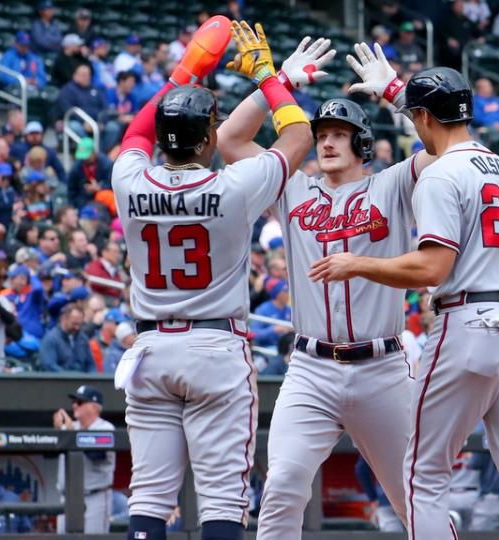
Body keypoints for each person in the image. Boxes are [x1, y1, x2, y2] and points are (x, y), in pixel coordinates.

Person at [307, 60, 499, 539]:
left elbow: (431, 269)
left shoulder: (440, 176)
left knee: (423, 475)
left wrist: (356, 263)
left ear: (423, 117)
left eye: (415, 114)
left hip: (469, 325)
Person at [217, 38, 445, 538]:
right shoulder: (292, 185)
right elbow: (230, 140)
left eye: (340, 133)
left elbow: (447, 148)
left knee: (417, 494)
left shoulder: (392, 184)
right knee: (281, 487)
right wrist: (279, 85)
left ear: (362, 143)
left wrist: (397, 92)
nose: (326, 141)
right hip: (311, 368)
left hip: (382, 368)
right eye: (321, 132)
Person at [113, 19, 313, 540]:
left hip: (152, 346)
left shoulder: (129, 179)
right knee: (223, 497)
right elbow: (298, 135)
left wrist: (183, 74)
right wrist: (272, 77)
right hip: (215, 346)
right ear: (208, 139)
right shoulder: (234, 185)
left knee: (150, 495)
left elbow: (136, 131)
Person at [52, 384, 116, 533]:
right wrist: (57, 433)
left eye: (80, 402)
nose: (74, 405)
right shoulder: (69, 428)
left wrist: (71, 435)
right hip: (66, 499)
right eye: (74, 401)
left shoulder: (105, 428)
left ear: (94, 407)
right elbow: (49, 454)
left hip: (94, 498)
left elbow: (96, 455)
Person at [39, 302, 94, 372]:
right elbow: (49, 366)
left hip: (82, 381)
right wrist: (72, 378)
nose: (77, 328)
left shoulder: (83, 339)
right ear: (63, 319)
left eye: (80, 324)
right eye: (74, 324)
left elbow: (91, 365)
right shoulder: (51, 339)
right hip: (61, 381)